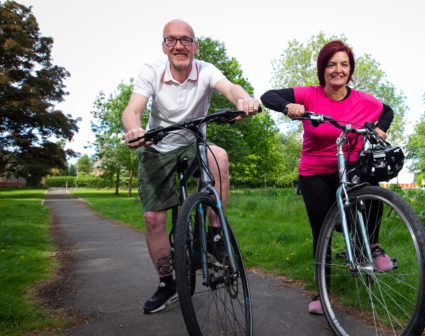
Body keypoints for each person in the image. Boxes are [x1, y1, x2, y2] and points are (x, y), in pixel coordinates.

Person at [123, 19, 260, 314]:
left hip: (193, 142)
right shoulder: (152, 72)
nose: (179, 45)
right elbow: (133, 109)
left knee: (219, 157)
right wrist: (134, 129)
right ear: (164, 47)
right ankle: (167, 284)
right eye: (171, 40)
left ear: (195, 46)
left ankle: (213, 236)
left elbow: (230, 88)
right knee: (153, 219)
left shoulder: (206, 70)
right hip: (157, 146)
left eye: (186, 40)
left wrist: (244, 99)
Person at [260, 40, 394, 315]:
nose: (338, 70)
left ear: (350, 69)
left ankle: (371, 245)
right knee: (321, 232)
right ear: (323, 69)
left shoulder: (363, 101)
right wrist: (288, 107)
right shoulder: (309, 94)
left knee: (372, 191)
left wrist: (380, 130)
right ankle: (323, 292)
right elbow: (267, 96)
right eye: (332, 64)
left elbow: (387, 111)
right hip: (316, 171)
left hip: (351, 166)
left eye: (344, 64)